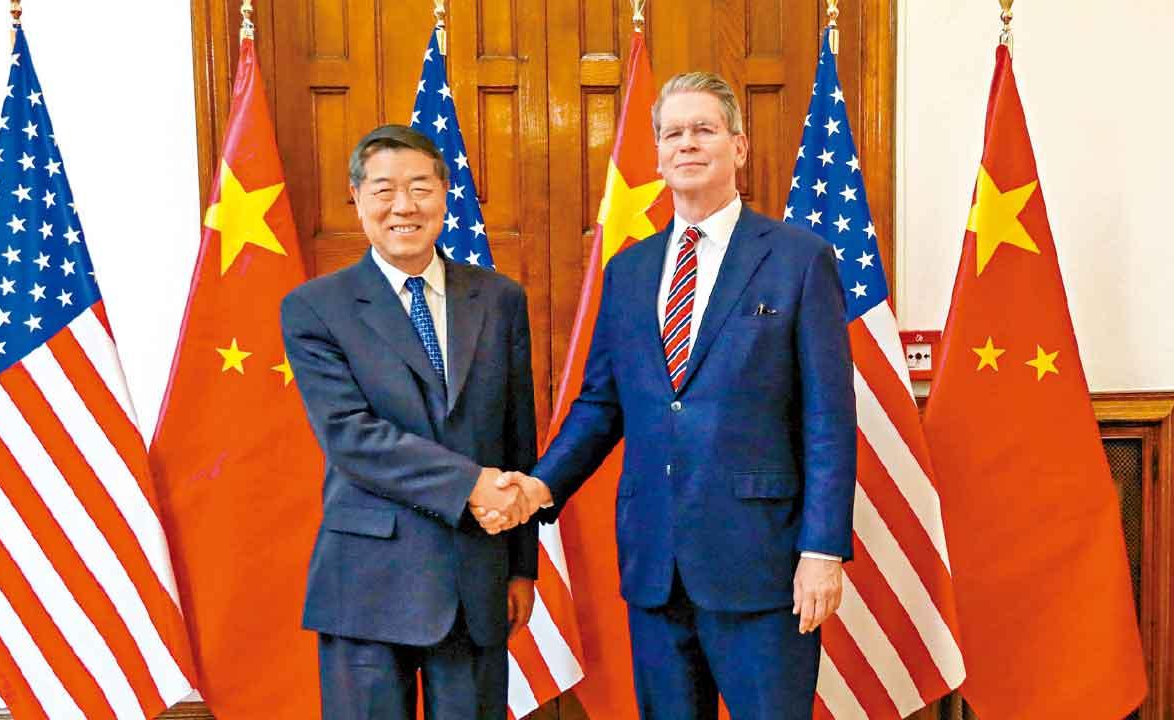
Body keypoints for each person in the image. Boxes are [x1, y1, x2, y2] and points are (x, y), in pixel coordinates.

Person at [481, 72, 857, 719]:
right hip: (655, 564)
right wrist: (540, 487)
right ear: (657, 154)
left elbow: (829, 417)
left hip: (763, 565)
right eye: (673, 133)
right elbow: (601, 404)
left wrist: (822, 551)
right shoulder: (628, 271)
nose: (687, 143)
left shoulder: (799, 259)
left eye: (704, 129)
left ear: (738, 147)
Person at [281, 124, 538, 720]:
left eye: (420, 188)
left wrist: (521, 566)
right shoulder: (316, 307)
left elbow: (516, 436)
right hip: (368, 583)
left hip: (476, 579)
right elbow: (351, 436)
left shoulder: (499, 299)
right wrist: (471, 484)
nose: (404, 206)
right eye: (384, 190)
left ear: (446, 195)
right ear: (357, 198)